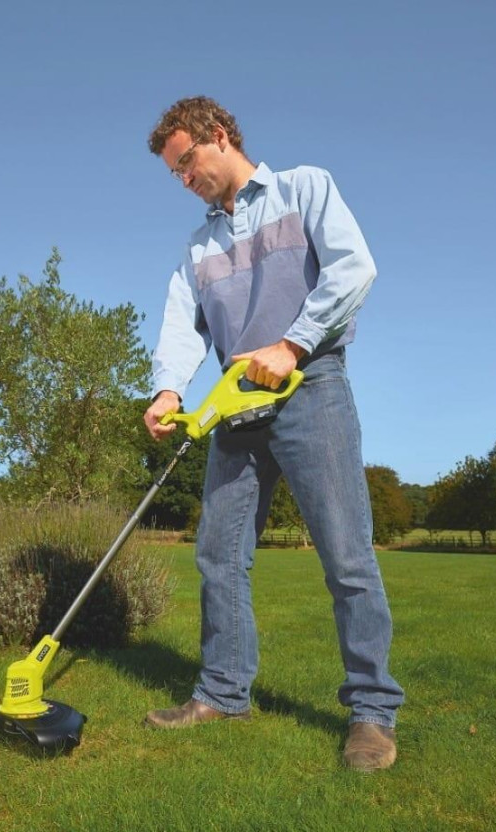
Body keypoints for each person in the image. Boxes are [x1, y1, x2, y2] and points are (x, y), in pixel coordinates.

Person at [142, 96, 404, 771]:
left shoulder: (304, 189)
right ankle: (223, 693)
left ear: (218, 136)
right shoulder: (198, 246)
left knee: (346, 556)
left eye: (186, 163)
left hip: (309, 386)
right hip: (235, 405)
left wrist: (292, 344)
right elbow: (182, 321)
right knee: (218, 556)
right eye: (174, 173)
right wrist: (169, 388)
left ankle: (372, 712)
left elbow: (354, 267)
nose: (183, 180)